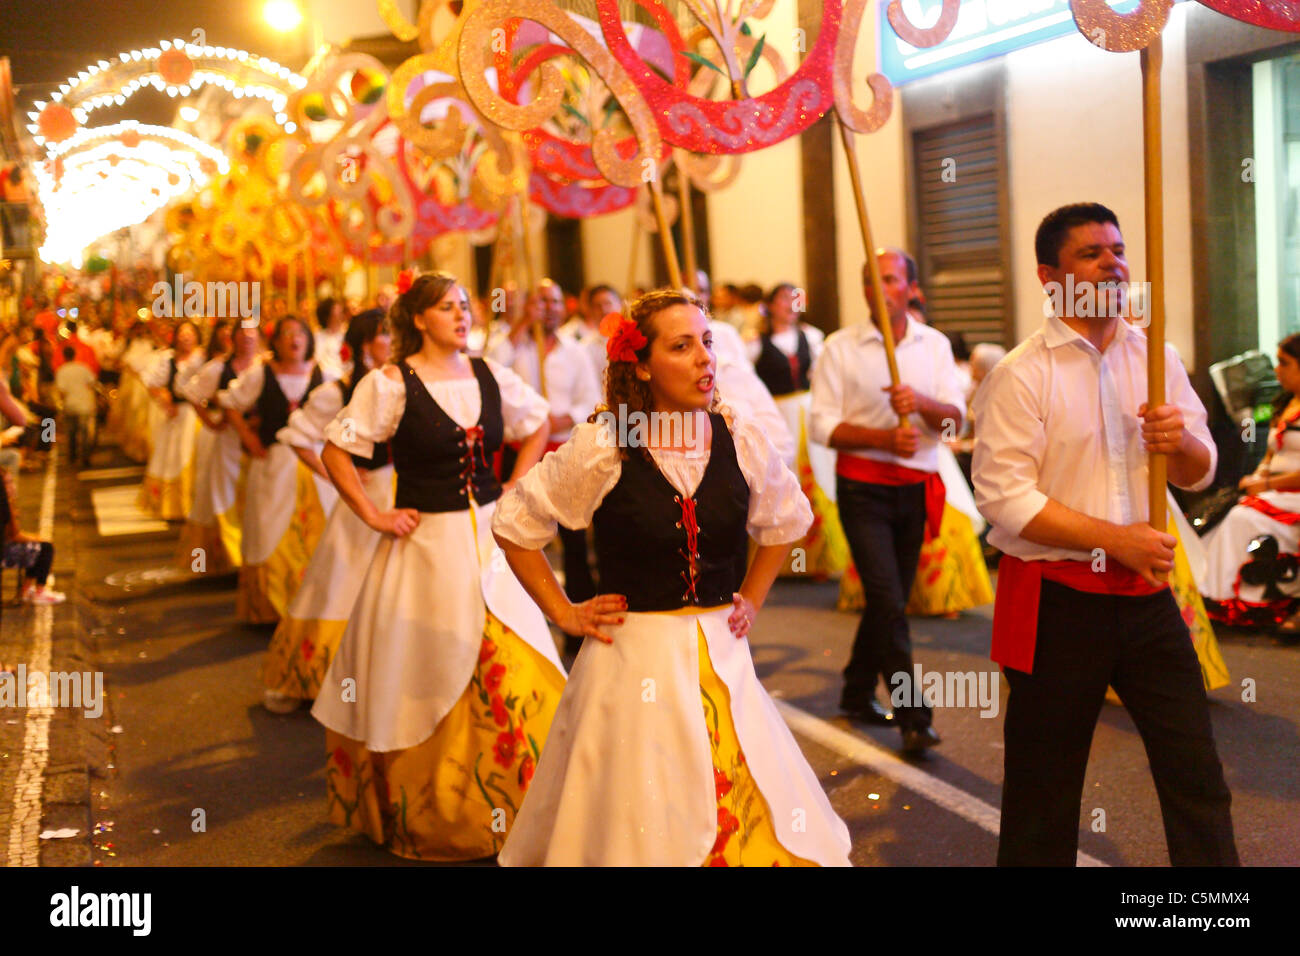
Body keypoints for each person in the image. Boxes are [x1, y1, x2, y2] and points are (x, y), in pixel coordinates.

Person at [493, 288, 851, 866]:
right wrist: (564, 611)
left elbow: (787, 520)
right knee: (641, 814)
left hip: (722, 654)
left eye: (707, 343)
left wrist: (753, 600)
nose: (705, 359)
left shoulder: (738, 436)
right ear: (641, 364)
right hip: (631, 661)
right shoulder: (606, 445)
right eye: (682, 347)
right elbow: (514, 524)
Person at [972, 201, 1237, 866]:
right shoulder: (1020, 373)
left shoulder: (1156, 356)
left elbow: (1202, 471)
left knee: (1195, 774)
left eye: (1117, 250)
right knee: (1044, 788)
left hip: (1149, 600)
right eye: (1091, 253)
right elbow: (1004, 498)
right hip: (1057, 602)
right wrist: (1113, 539)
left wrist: (1178, 446)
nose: (1113, 263)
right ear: (1049, 276)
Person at [310, 273, 564, 860]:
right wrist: (374, 514)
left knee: (516, 656)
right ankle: (441, 816)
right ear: (418, 319)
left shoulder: (491, 374)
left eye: (465, 305)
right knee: (426, 669)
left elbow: (539, 423)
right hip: (427, 547)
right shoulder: (390, 384)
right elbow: (335, 449)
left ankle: (522, 809)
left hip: (496, 542)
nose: (461, 314)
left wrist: (518, 485)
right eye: (447, 307)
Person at [809, 251, 964, 750]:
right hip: (862, 488)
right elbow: (822, 425)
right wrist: (881, 439)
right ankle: (914, 716)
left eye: (890, 279)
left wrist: (919, 403)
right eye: (870, 280)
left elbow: (952, 423)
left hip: (916, 488)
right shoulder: (839, 347)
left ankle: (856, 690)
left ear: (911, 288)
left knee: (888, 600)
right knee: (887, 601)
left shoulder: (934, 346)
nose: (879, 288)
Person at [261, 310, 393, 713]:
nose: (393, 341)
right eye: (385, 335)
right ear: (366, 345)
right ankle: (326, 676)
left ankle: (386, 676)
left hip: (406, 499)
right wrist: (340, 476)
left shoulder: (408, 383)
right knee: (341, 584)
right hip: (362, 503)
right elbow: (298, 437)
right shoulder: (338, 392)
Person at [489, 278, 602, 652]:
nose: (549, 307)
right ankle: (518, 621)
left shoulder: (576, 352)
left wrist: (559, 418)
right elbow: (488, 373)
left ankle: (577, 624)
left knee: (573, 537)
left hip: (563, 447)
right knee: (514, 531)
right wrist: (520, 326)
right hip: (519, 450)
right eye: (541, 301)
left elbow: (590, 399)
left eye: (555, 301)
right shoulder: (510, 344)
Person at [221, 316, 338, 624]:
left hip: (315, 465)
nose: (293, 339)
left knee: (319, 529)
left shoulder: (323, 373)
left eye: (299, 333)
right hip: (273, 464)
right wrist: (247, 436)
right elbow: (230, 402)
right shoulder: (261, 373)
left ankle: (315, 602)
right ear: (275, 342)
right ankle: (271, 605)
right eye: (286, 334)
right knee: (269, 530)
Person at [1202, 332, 1300, 631]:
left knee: (1241, 518)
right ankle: (1208, 596)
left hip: (1292, 494)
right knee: (1217, 518)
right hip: (1274, 492)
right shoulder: (1284, 404)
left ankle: (1232, 600)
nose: (1276, 370)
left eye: (1284, 363)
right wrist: (1259, 476)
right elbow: (1271, 455)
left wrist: (1269, 485)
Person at [174, 320, 255, 575]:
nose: (247, 338)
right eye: (241, 333)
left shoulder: (265, 367)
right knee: (226, 497)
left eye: (252, 332)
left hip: (260, 445)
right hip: (229, 445)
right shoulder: (218, 368)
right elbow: (193, 394)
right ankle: (232, 556)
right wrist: (211, 421)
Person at [139, 320, 204, 519]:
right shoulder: (168, 359)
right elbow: (150, 382)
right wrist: (164, 400)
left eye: (190, 332)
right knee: (176, 457)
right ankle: (177, 504)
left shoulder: (203, 358)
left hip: (201, 416)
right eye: (182, 333)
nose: (186, 337)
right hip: (180, 416)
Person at [1, 465, 63, 605]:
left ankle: (26, 589)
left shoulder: (9, 502)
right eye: (7, 483)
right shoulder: (5, 504)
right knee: (45, 547)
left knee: (38, 545)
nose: (12, 486)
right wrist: (37, 538)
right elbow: (15, 535)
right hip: (4, 552)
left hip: (6, 546)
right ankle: (39, 591)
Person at [54, 345, 98, 468]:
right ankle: (85, 457)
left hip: (70, 404)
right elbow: (92, 383)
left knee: (72, 431)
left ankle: (72, 456)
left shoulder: (61, 370)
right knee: (84, 432)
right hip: (84, 403)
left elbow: (61, 391)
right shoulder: (83, 368)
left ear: (64, 356)